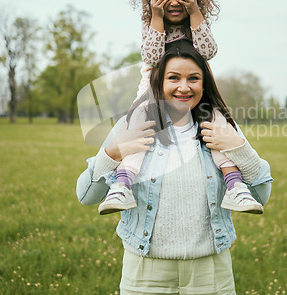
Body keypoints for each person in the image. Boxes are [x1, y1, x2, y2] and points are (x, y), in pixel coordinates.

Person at [76, 40, 273, 294]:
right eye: (173, 78)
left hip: (210, 273)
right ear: (158, 82)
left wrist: (239, 147)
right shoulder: (133, 124)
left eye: (193, 78)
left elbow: (261, 197)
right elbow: (86, 196)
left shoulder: (220, 127)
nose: (184, 87)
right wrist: (113, 150)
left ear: (204, 84)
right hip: (145, 272)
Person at [98, 0, 262, 215]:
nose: (174, 2)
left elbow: (208, 51)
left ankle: (235, 186)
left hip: (194, 90)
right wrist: (156, 15)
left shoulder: (196, 20)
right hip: (152, 86)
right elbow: (152, 57)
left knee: (216, 125)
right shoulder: (153, 21)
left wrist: (195, 11)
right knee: (137, 129)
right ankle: (122, 185)